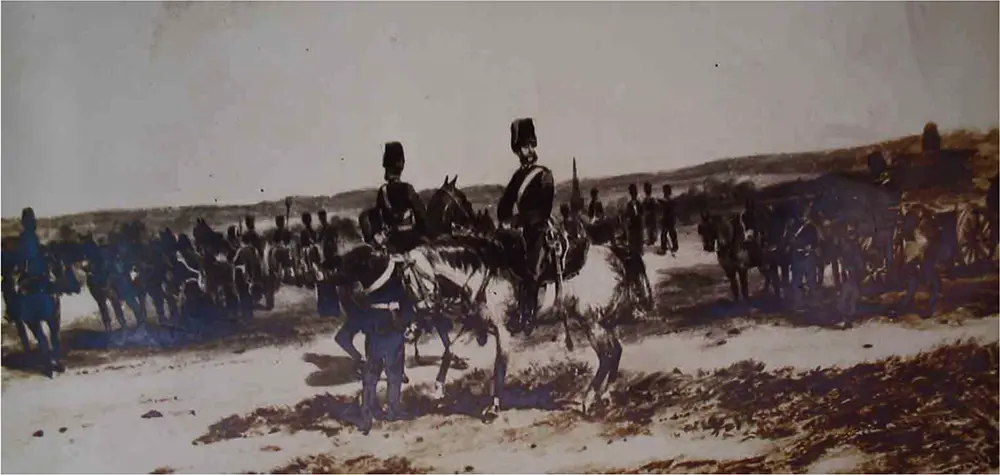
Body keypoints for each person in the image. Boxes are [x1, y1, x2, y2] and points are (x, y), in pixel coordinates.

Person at [496, 118, 555, 335]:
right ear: (517, 150)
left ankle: (528, 316)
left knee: (531, 270)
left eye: (530, 145)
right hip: (519, 233)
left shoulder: (544, 175)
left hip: (537, 230)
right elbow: (504, 206)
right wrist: (506, 220)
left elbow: (543, 211)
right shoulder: (517, 176)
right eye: (523, 147)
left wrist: (518, 221)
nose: (527, 150)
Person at [374, 142, 430, 255]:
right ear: (401, 166)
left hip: (390, 241)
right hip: (410, 241)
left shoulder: (382, 191)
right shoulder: (408, 189)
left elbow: (377, 219)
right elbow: (422, 219)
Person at [623, 184, 644, 256]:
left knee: (638, 238)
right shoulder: (630, 204)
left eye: (634, 192)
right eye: (632, 192)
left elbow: (641, 212)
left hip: (637, 223)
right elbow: (628, 215)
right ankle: (636, 251)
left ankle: (639, 251)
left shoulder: (638, 203)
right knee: (634, 238)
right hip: (634, 224)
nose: (633, 194)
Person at [659, 184, 679, 254]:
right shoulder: (672, 199)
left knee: (665, 233)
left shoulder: (668, 200)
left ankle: (664, 247)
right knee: (671, 233)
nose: (663, 192)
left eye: (664, 191)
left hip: (668, 219)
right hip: (671, 218)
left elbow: (666, 206)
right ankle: (674, 246)